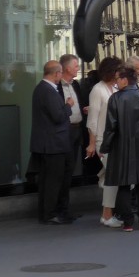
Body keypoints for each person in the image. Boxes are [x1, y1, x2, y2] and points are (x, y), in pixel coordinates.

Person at [101, 65, 139, 232]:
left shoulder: (115, 99)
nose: (116, 82)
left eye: (118, 79)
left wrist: (105, 146)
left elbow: (111, 126)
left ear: (124, 79)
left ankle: (128, 223)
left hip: (120, 146)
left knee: (123, 184)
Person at [31, 60, 73, 225]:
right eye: (60, 73)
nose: (61, 76)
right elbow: (58, 116)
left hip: (49, 143)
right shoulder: (47, 91)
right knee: (53, 182)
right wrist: (68, 106)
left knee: (49, 181)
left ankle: (48, 212)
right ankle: (50, 213)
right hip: (53, 144)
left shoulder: (42, 89)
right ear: (56, 73)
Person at [85, 56, 122, 227]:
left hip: (113, 139)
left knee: (111, 176)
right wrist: (92, 143)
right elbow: (92, 119)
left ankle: (108, 214)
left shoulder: (114, 88)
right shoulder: (97, 90)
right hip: (102, 139)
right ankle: (107, 215)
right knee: (113, 176)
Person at [58, 54, 86, 217]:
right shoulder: (57, 86)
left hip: (76, 130)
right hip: (65, 131)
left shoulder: (75, 84)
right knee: (64, 170)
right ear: (67, 68)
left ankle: (65, 207)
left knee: (70, 169)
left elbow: (78, 103)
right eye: (76, 66)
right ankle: (62, 208)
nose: (78, 68)